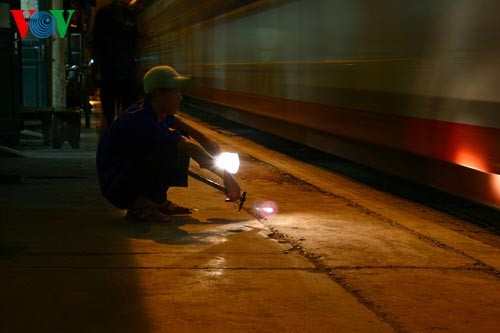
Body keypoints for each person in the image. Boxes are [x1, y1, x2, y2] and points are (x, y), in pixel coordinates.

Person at [96, 65, 241, 222]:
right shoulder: (143, 122)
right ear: (159, 94)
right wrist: (228, 177)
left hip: (119, 177)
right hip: (118, 187)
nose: (181, 97)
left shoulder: (152, 109)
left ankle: (157, 201)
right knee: (172, 147)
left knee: (173, 145)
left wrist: (206, 141)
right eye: (176, 92)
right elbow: (189, 148)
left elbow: (179, 123)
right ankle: (139, 206)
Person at [92, 0, 140, 126]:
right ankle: (124, 137)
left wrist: (95, 71)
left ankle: (110, 135)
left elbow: (96, 43)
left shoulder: (103, 13)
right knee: (129, 113)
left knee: (109, 114)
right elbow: (136, 42)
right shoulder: (131, 14)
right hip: (127, 71)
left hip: (109, 71)